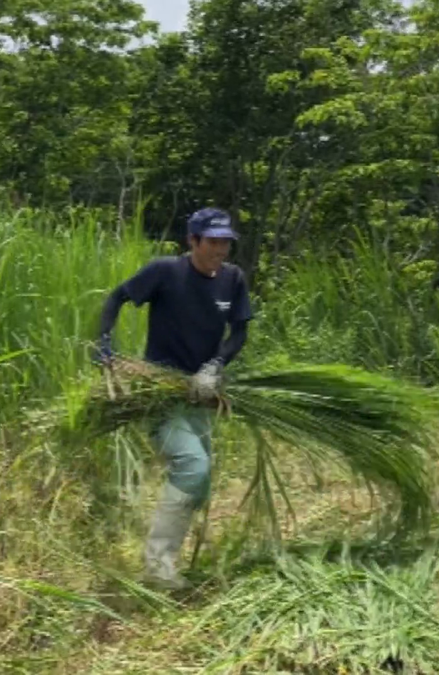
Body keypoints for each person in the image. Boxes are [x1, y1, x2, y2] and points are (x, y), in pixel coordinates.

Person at [94, 206, 254, 589]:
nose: (221, 250)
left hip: (201, 393)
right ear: (193, 241)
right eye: (213, 241)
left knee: (200, 481)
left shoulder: (232, 280)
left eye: (226, 242)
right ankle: (157, 568)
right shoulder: (166, 272)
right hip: (160, 391)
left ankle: (170, 557)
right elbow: (116, 298)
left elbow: (240, 333)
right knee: (192, 466)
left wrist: (215, 365)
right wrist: (103, 344)